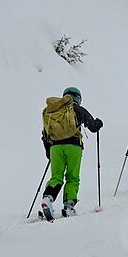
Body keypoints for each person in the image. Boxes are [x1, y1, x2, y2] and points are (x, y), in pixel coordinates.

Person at [40, 87, 103, 220]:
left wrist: (49, 152)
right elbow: (92, 126)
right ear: (78, 98)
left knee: (56, 177)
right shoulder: (76, 108)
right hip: (73, 146)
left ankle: (48, 198)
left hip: (55, 148)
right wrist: (98, 123)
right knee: (72, 177)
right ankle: (69, 206)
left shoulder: (52, 111)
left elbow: (45, 135)